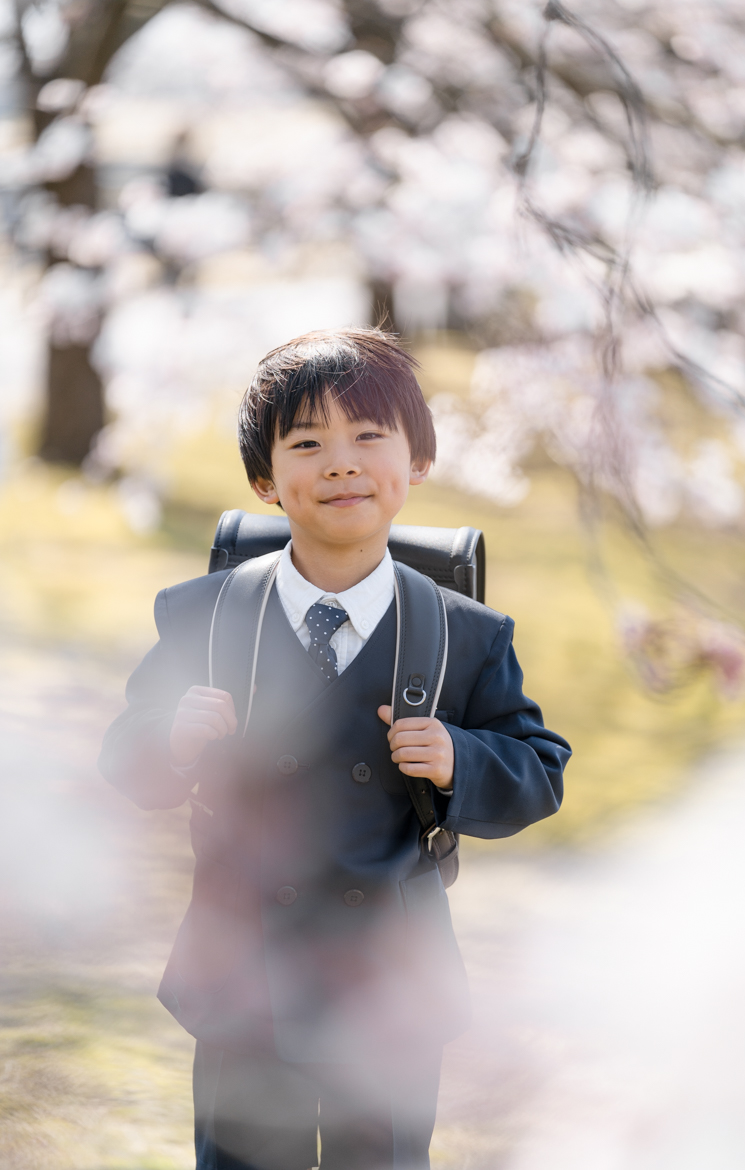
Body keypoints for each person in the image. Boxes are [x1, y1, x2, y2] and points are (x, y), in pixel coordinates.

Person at [99, 327, 571, 1170]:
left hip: (388, 984)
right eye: (308, 443)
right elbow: (125, 755)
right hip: (246, 973)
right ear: (265, 480)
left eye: (369, 437)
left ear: (417, 462)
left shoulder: (463, 634)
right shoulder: (202, 614)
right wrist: (170, 741)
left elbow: (540, 770)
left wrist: (462, 758)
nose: (341, 463)